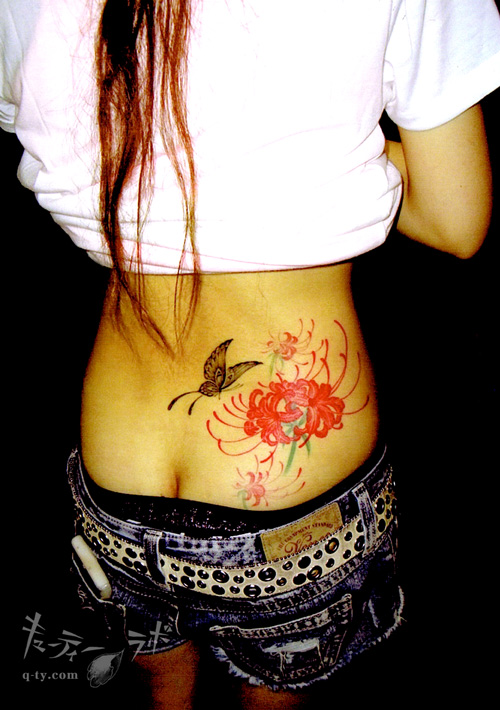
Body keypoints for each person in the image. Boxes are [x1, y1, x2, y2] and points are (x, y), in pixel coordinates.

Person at [2, 1, 500, 708]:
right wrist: (344, 136)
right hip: (292, 523)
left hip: (118, 475)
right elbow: (454, 219)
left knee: (159, 691)